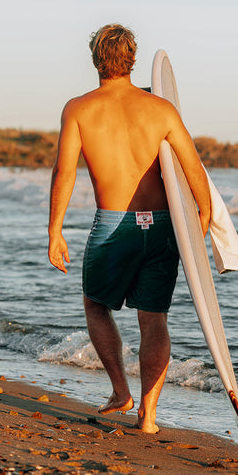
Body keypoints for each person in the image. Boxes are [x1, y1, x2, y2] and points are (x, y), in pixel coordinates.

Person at [48, 24, 211, 433]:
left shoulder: (79, 109)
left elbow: (64, 171)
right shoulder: (161, 110)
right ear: (133, 60)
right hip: (161, 228)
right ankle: (149, 416)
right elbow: (194, 170)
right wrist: (202, 222)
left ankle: (121, 391)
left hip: (113, 225)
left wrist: (55, 231)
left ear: (94, 59)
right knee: (153, 319)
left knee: (95, 304)